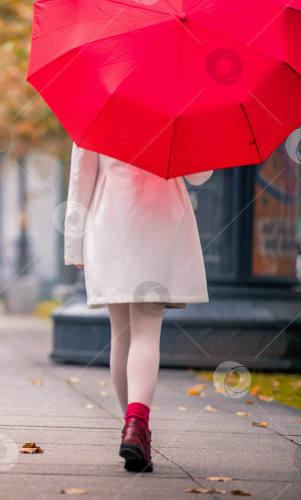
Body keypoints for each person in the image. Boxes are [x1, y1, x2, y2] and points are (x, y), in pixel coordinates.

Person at [64, 145, 212, 473]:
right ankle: (137, 425)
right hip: (160, 220)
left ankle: (133, 429)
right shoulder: (178, 101)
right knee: (147, 333)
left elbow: (81, 177)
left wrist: (75, 242)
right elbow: (200, 175)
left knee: (122, 336)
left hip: (111, 221)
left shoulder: (100, 104)